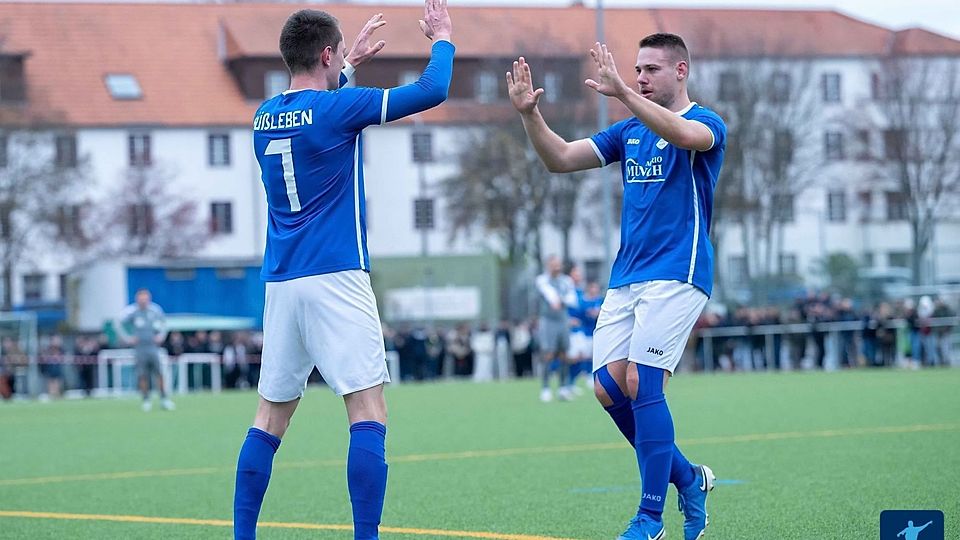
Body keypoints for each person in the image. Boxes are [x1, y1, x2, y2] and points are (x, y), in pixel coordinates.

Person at [233, 3, 454, 539]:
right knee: (367, 408)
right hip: (336, 275)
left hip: (282, 282)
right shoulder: (339, 109)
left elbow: (310, 108)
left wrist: (347, 63)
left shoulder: (263, 117)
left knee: (269, 418)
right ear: (325, 54)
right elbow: (432, 89)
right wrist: (443, 38)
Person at [507, 33, 726, 540]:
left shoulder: (706, 121)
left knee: (641, 383)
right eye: (637, 69)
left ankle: (650, 519)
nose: (642, 78)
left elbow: (685, 138)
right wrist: (528, 115)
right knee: (608, 388)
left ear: (681, 71)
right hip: (628, 277)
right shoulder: (627, 132)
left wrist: (625, 93)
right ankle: (689, 478)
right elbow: (559, 158)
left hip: (679, 271)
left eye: (651, 69)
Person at [117, 288, 173, 412]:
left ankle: (164, 399)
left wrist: (161, 336)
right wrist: (127, 338)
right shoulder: (132, 311)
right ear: (137, 299)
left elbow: (164, 323)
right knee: (142, 375)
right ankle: (146, 400)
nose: (143, 301)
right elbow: (118, 322)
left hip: (153, 348)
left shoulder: (155, 310)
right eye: (141, 299)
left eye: (145, 299)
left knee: (159, 373)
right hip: (140, 348)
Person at [535, 255, 578, 402]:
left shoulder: (566, 281)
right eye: (553, 264)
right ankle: (545, 388)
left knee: (564, 354)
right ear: (548, 265)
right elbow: (548, 294)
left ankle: (563, 387)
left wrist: (561, 300)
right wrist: (556, 300)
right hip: (548, 320)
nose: (556, 267)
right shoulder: (542, 279)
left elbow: (572, 299)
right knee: (548, 353)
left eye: (558, 264)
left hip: (562, 320)